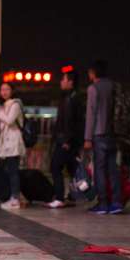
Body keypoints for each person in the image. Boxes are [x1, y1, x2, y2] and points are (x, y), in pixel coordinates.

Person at [84, 60, 123, 214]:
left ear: (93, 72)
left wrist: (87, 138)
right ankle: (117, 202)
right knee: (113, 168)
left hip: (99, 133)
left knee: (99, 169)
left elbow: (91, 114)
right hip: (113, 133)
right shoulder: (114, 86)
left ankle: (103, 203)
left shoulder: (93, 88)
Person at [47, 69, 83, 208]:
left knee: (55, 166)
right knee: (72, 168)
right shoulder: (73, 97)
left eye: (64, 79)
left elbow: (69, 121)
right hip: (71, 140)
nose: (61, 82)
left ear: (71, 82)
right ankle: (72, 197)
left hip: (65, 141)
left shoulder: (69, 99)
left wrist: (66, 140)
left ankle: (60, 197)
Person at [0, 82, 25, 210]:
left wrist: (1, 114)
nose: (4, 92)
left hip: (13, 141)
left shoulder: (15, 104)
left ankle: (15, 199)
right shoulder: (3, 105)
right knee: (7, 171)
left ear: (12, 91)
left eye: (7, 89)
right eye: (2, 89)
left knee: (13, 171)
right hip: (5, 142)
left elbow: (9, 120)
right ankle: (14, 197)